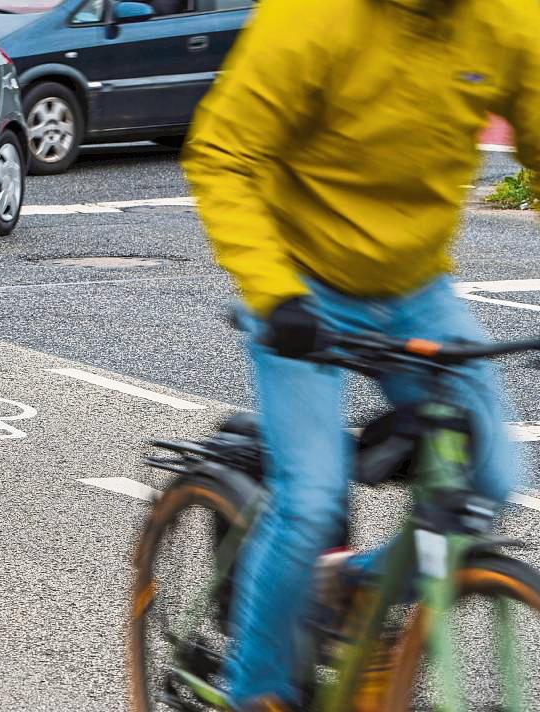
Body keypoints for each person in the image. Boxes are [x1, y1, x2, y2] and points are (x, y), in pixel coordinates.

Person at [182, 0, 540, 709]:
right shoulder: (314, 17)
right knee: (312, 500)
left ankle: (351, 586)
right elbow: (222, 153)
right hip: (301, 285)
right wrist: (275, 294)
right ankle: (254, 690)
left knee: (491, 481)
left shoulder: (505, 18)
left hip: (415, 287)